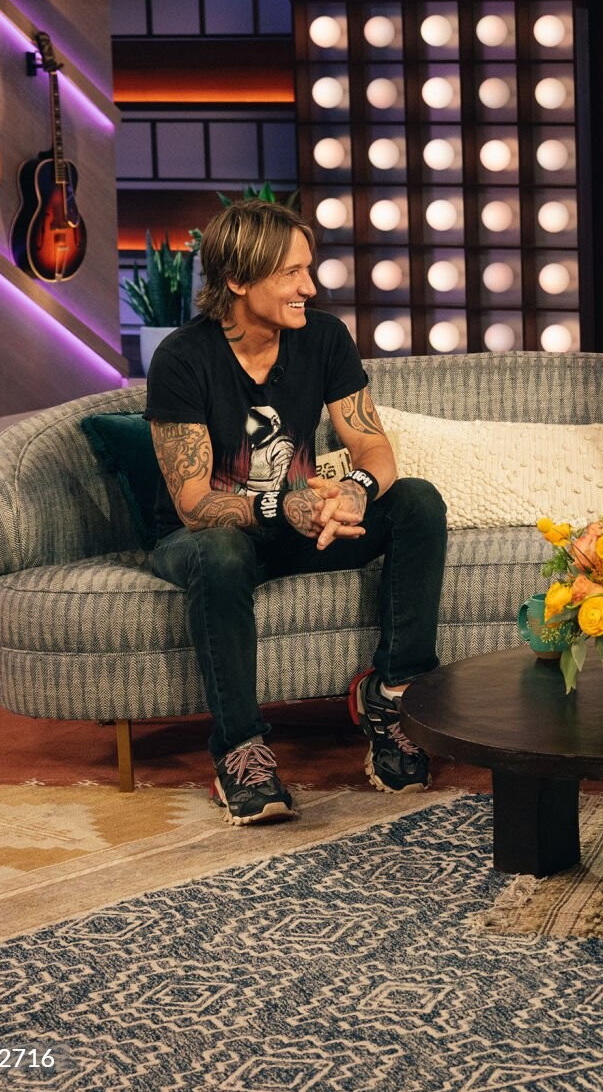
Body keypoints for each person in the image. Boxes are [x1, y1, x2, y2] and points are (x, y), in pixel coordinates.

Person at [145, 199, 448, 825]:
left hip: (304, 525)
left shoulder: (324, 337)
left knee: (416, 501)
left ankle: (392, 697)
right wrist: (283, 505)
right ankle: (240, 751)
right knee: (220, 551)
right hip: (209, 538)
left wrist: (355, 491)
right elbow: (194, 502)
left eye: (308, 269)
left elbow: (373, 447)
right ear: (238, 279)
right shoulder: (182, 358)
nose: (309, 287)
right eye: (291, 273)